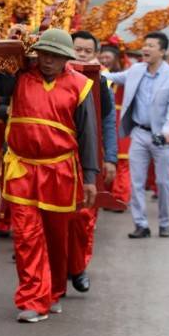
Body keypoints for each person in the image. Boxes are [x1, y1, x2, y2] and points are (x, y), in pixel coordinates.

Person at [1, 29, 99, 323]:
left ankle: (54, 290)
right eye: (44, 54)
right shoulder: (19, 77)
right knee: (26, 237)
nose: (48, 61)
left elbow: (88, 134)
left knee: (57, 237)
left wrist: (90, 177)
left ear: (66, 58)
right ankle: (33, 298)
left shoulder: (80, 85)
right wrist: (8, 48)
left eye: (55, 56)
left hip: (60, 171)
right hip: (22, 169)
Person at [103, 32, 169, 239]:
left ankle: (164, 223)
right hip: (138, 132)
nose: (145, 49)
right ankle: (140, 224)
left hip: (162, 136)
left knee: (163, 182)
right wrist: (88, 70)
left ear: (162, 51)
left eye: (151, 46)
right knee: (136, 182)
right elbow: (112, 78)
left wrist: (168, 130)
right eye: (145, 45)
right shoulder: (136, 70)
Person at [67, 31, 118, 294]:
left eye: (88, 51)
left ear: (96, 54)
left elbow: (108, 123)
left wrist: (110, 158)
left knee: (84, 215)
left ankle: (78, 268)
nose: (82, 55)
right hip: (55, 158)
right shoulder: (49, 76)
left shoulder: (101, 83)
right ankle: (53, 276)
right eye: (78, 49)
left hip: (87, 157)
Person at [98, 42, 130, 212]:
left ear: (117, 58)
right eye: (102, 57)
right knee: (105, 159)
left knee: (123, 162)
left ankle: (120, 198)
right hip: (106, 120)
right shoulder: (98, 74)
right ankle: (107, 195)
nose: (104, 60)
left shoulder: (125, 76)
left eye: (108, 57)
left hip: (122, 121)